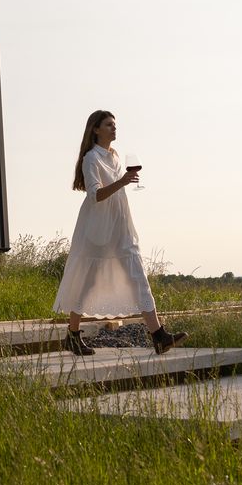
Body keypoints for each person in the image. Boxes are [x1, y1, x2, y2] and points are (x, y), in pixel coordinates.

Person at [53, 110, 188, 356]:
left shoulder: (114, 156)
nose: (114, 128)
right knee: (88, 281)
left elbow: (117, 192)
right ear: (95, 129)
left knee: (138, 277)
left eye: (115, 125)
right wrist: (123, 181)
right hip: (97, 227)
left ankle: (158, 335)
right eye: (109, 125)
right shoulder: (91, 158)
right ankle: (72, 336)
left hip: (121, 226)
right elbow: (96, 195)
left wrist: (123, 182)